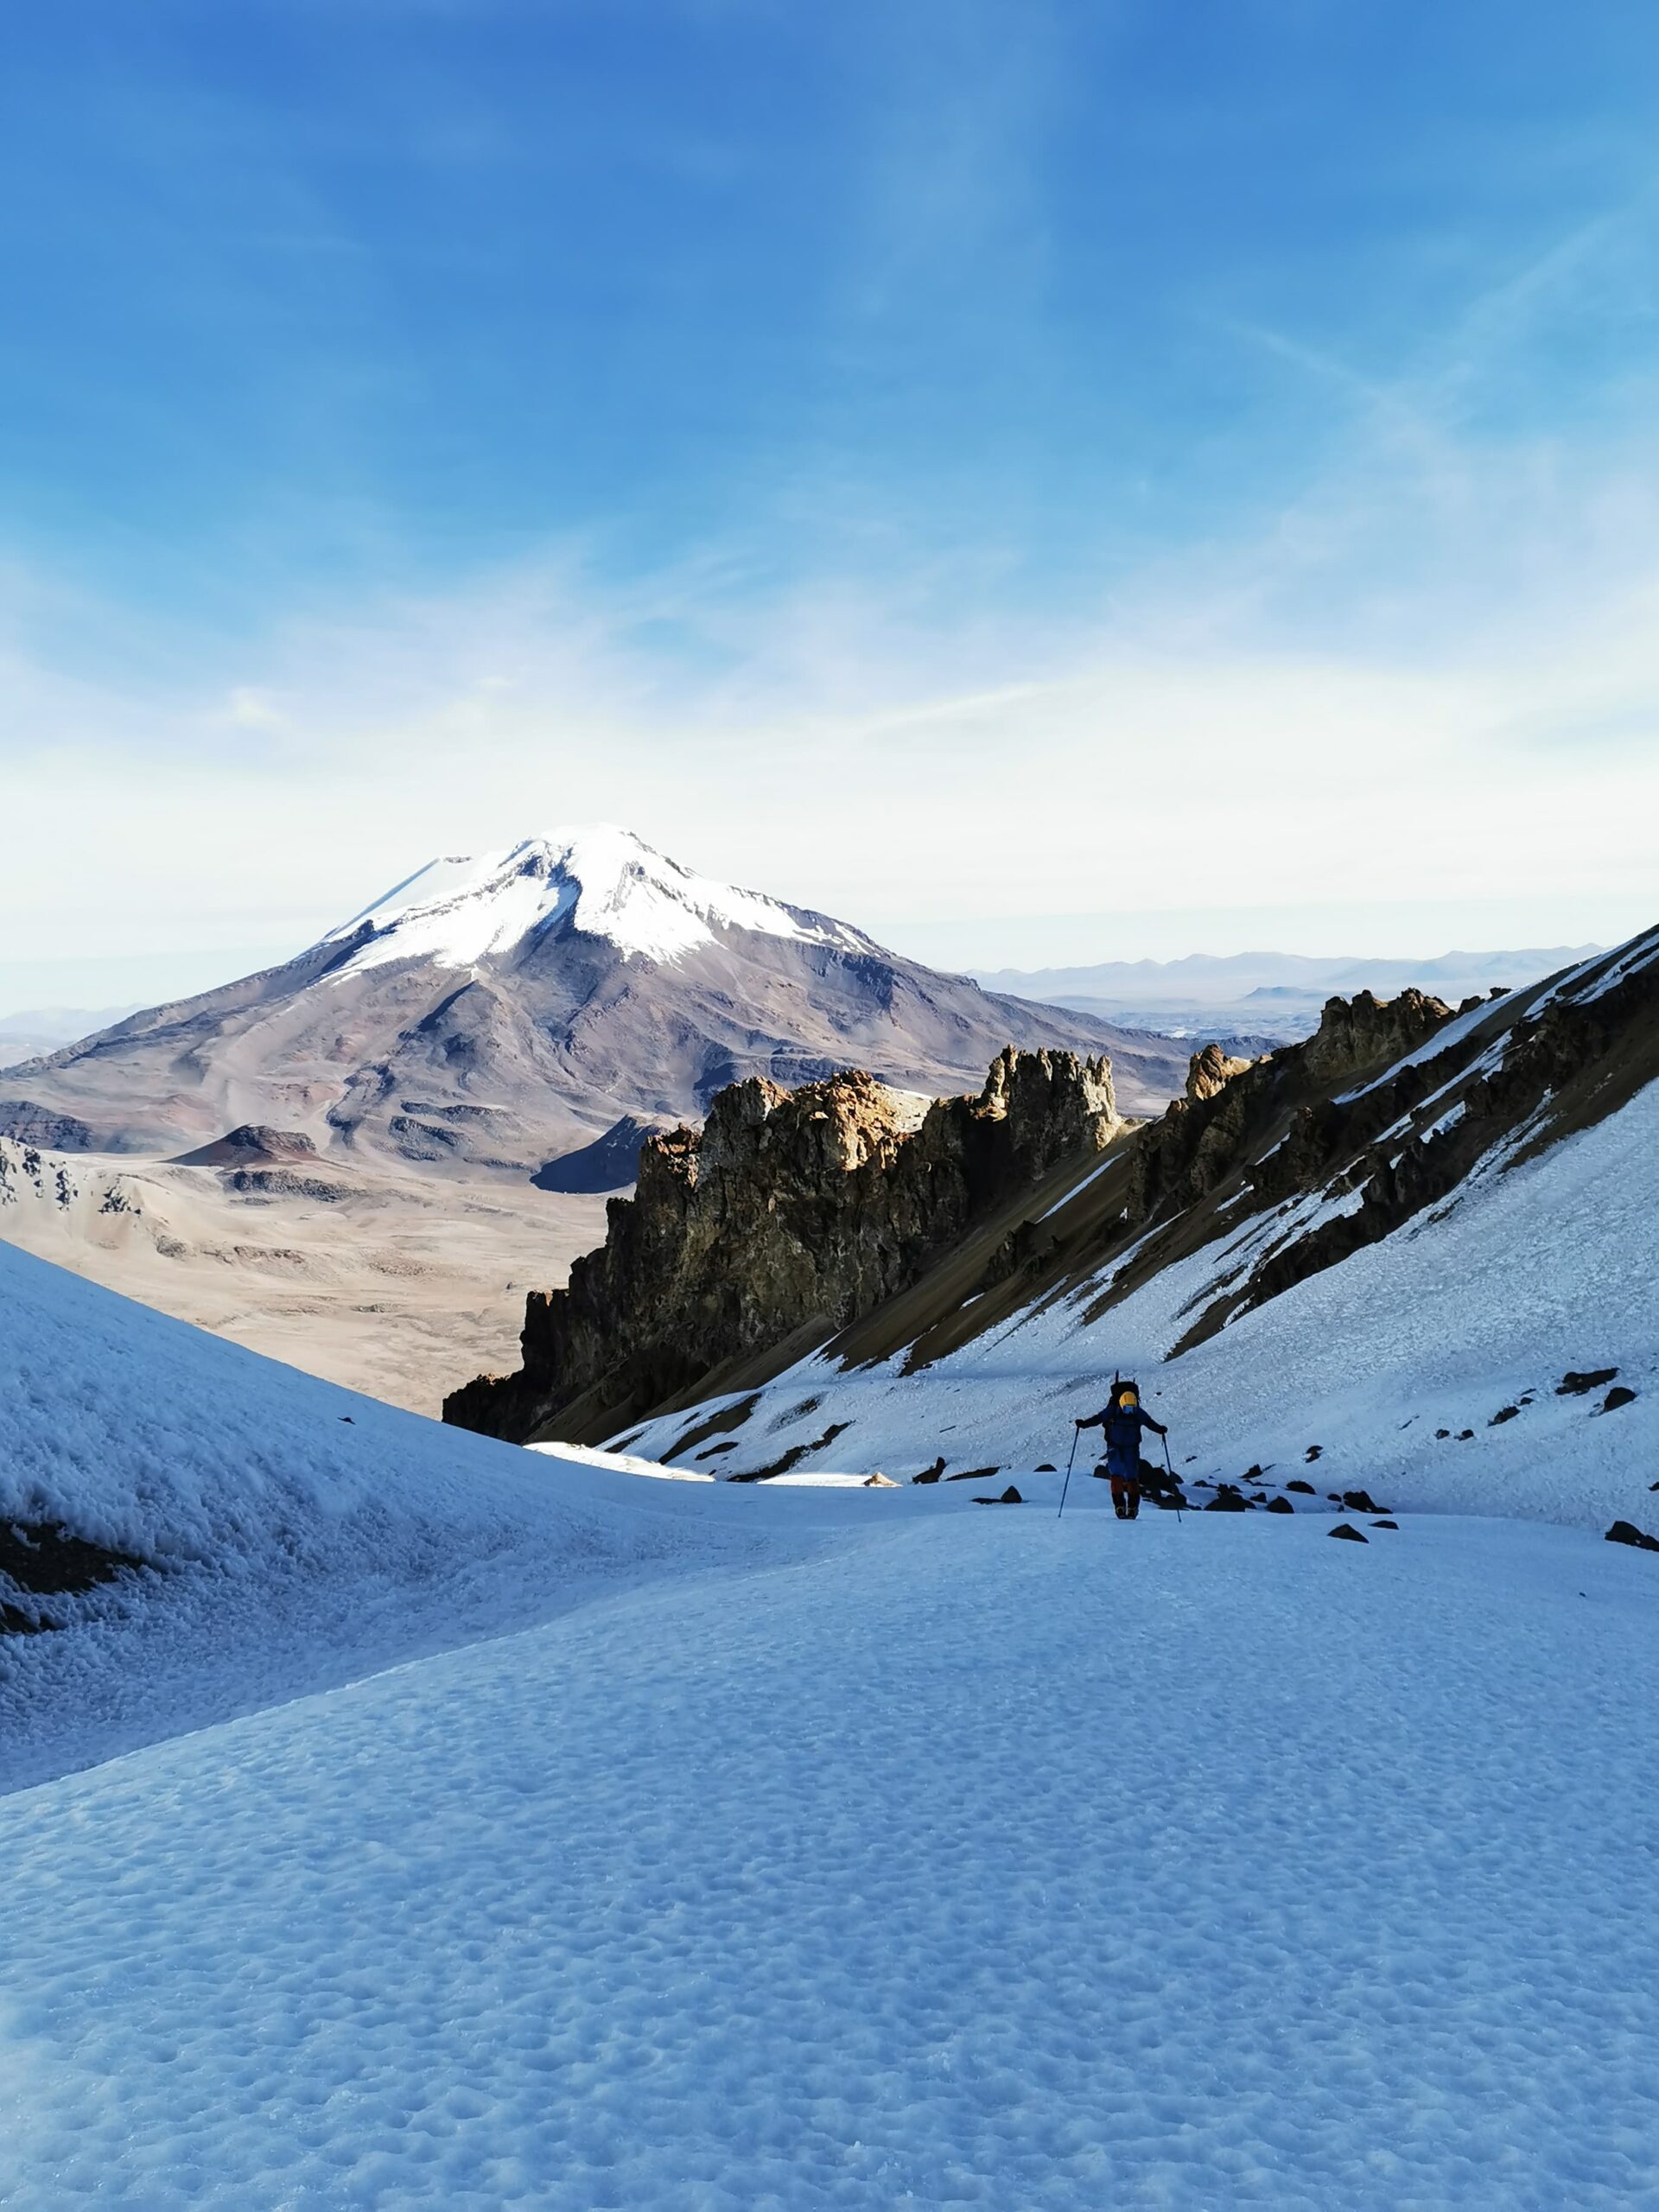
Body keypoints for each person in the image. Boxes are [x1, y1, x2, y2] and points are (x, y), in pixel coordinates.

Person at [1075, 1380, 1167, 1519]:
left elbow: (1149, 1423)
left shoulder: (1126, 1411)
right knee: (1120, 1475)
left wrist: (1160, 1429)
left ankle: (1129, 1508)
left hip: (1125, 1447)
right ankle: (1124, 1507)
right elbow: (1098, 1419)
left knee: (1129, 1476)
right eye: (1127, 1409)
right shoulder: (1119, 1411)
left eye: (1131, 1409)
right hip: (1120, 1447)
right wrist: (1084, 1424)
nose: (1129, 1412)